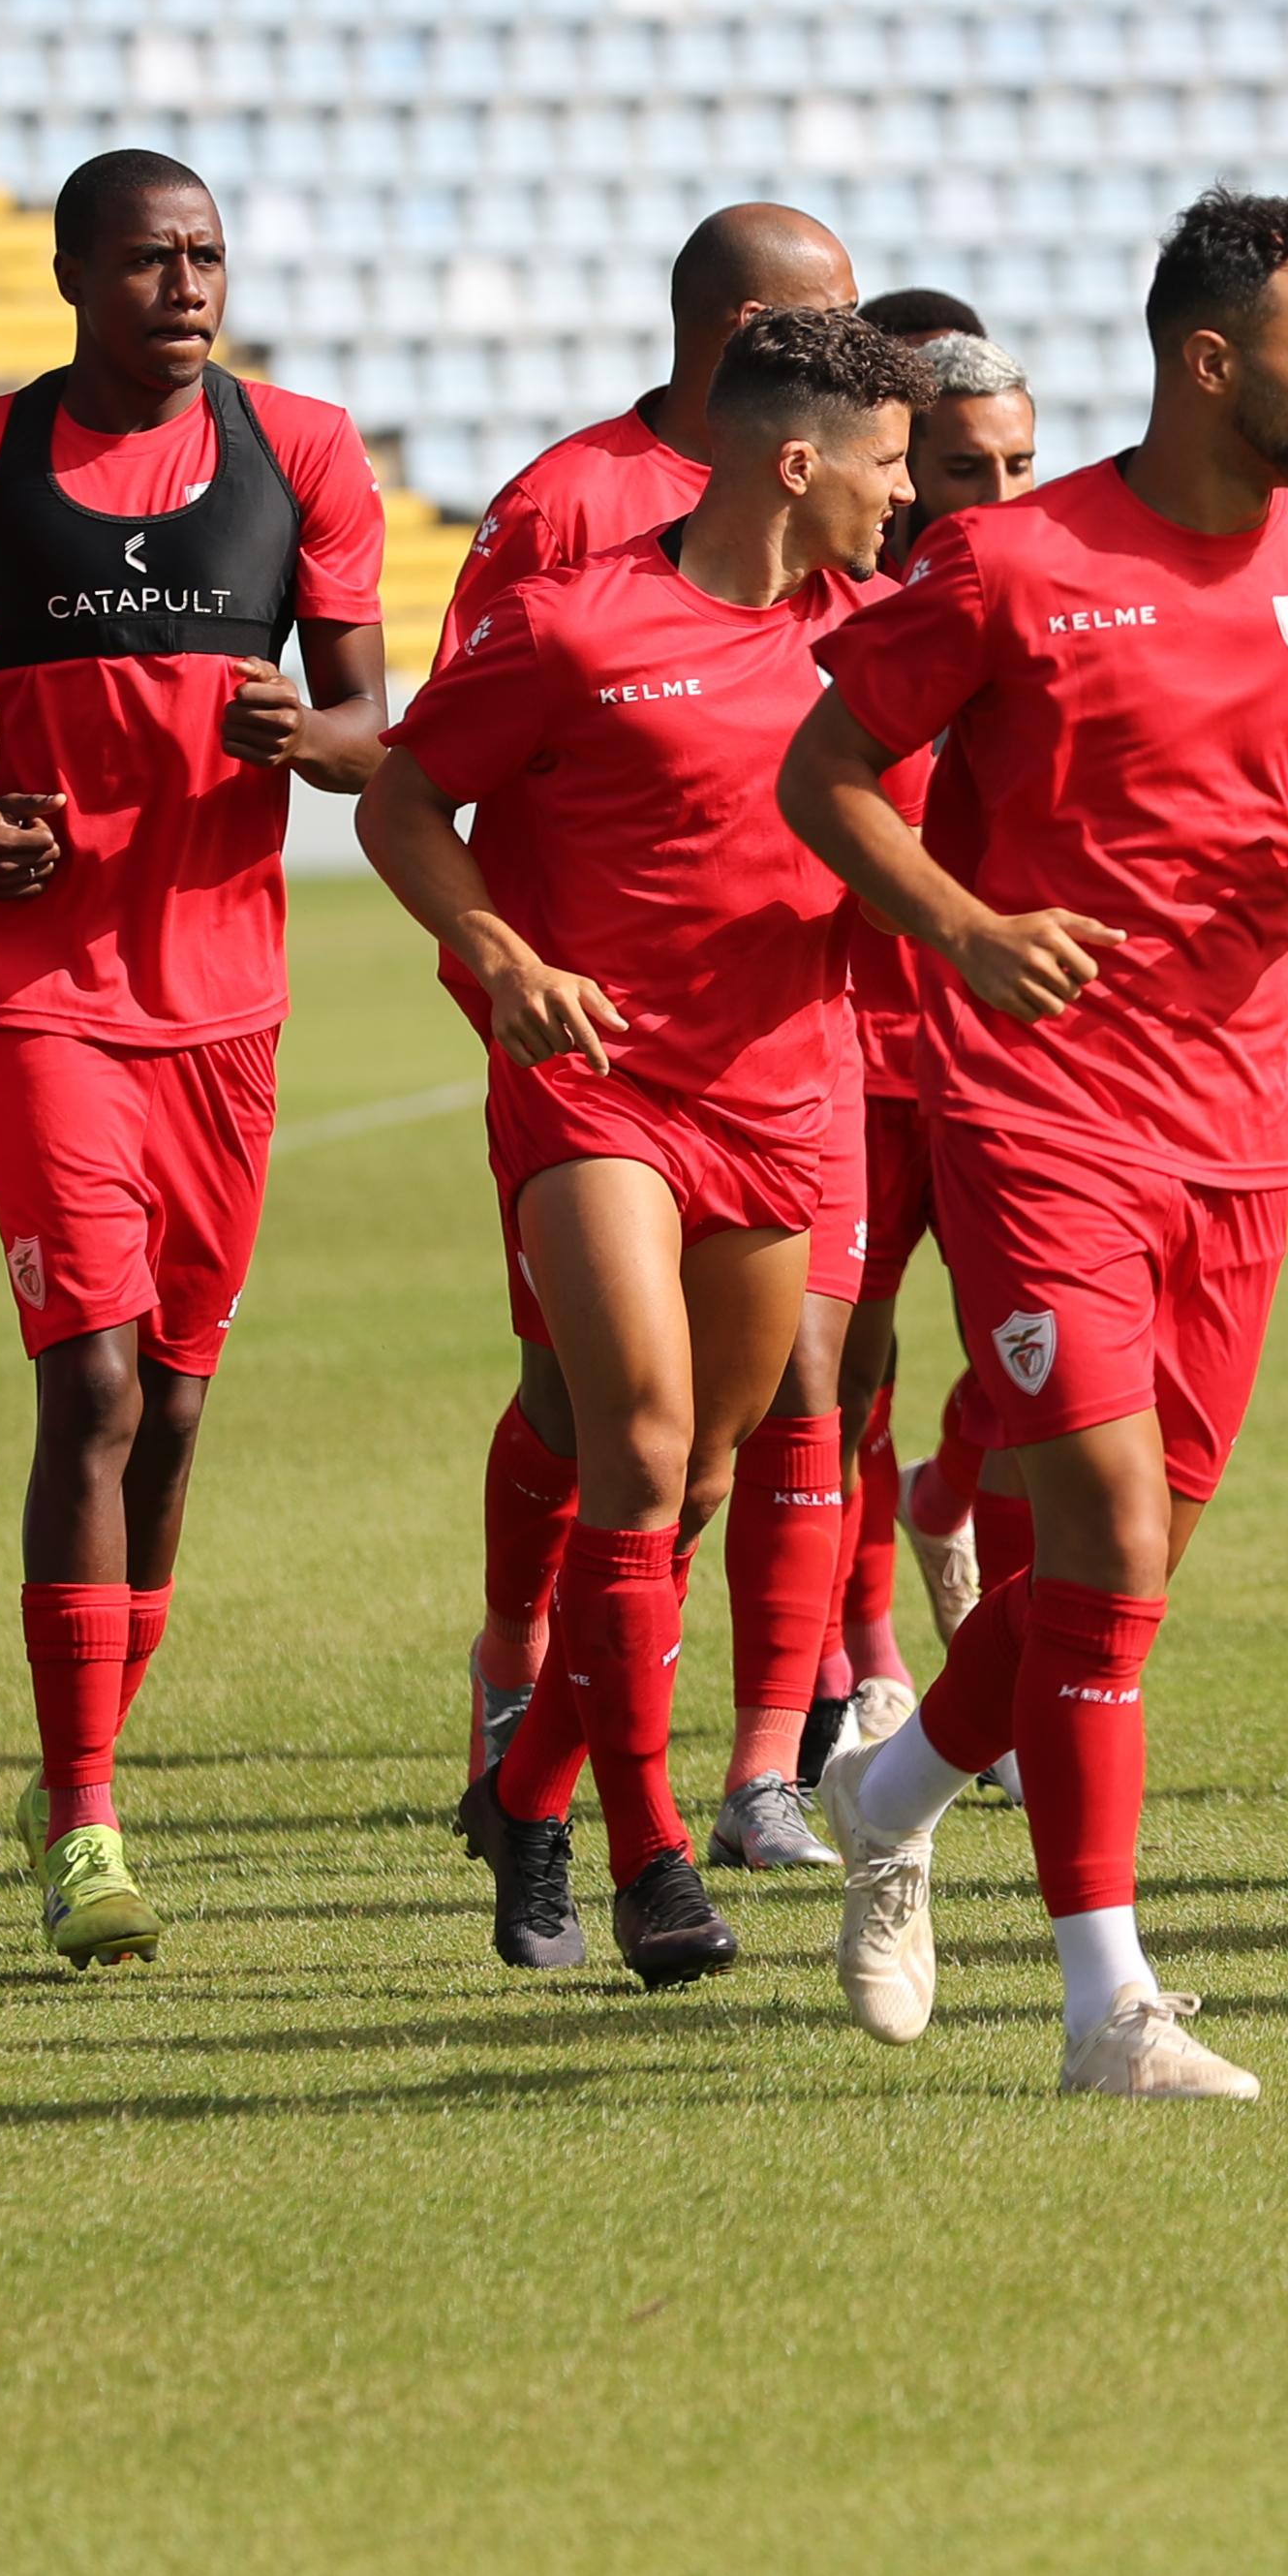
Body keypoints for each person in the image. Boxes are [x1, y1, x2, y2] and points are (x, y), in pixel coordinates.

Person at [782, 188, 1288, 2103]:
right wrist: (966, 931)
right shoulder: (1013, 563)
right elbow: (822, 776)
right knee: (1111, 1533)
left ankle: (888, 1800)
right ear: (1214, 360)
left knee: (1110, 1578)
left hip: (1244, 1120)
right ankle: (1103, 2006)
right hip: (1037, 1105)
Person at [368, 305, 927, 1984]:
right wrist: (502, 957)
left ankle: (528, 1790)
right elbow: (402, 797)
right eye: (890, 467)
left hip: (779, 1090)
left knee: (687, 1481)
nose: (906, 500)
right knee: (639, 1436)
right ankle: (648, 1855)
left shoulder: (885, 637)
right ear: (796, 459)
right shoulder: (573, 619)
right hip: (595, 1082)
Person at [0, 147, 388, 1971]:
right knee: (92, 1385)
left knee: (176, 1403)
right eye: (147, 260)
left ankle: (80, 1746)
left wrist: (310, 729)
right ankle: (88, 1811)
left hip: (227, 991)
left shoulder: (305, 448)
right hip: (35, 984)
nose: (185, 286)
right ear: (69, 276)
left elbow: (369, 715)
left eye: (205, 255)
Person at [442, 207, 869, 1867]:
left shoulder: (859, 587)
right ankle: (539, 1702)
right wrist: (494, 963)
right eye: (835, 317)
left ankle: (732, 1761)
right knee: (592, 1409)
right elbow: (448, 765)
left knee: (719, 1430)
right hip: (588, 1054)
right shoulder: (568, 514)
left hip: (785, 1055)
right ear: (761, 333)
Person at [827, 297, 1035, 1742]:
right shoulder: (847, 623)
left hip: (1006, 1053)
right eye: (964, 474)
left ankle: (1011, 1679)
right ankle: (858, 1653)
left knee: (1042, 1370)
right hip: (846, 1047)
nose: (997, 504)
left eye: (1021, 472)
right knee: (838, 1379)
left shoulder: (1053, 610)